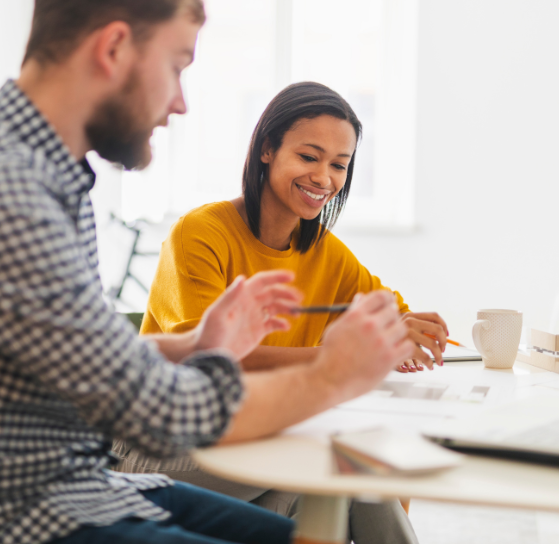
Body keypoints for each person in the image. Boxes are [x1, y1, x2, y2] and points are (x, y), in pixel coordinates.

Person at [0, 0, 414, 543]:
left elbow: (84, 352)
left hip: (68, 487)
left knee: (315, 519)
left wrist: (196, 345)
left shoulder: (38, 172)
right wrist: (334, 374)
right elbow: (165, 414)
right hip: (2, 520)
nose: (180, 101)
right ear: (114, 48)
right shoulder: (2, 191)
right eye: (176, 66)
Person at [114, 82, 450, 543]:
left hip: (261, 440)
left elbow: (390, 313)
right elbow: (210, 360)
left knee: (345, 479)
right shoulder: (201, 233)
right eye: (309, 157)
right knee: (346, 458)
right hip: (162, 444)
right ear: (267, 149)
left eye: (339, 165)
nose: (324, 178)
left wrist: (403, 329)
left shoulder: (326, 253)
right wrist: (332, 362)